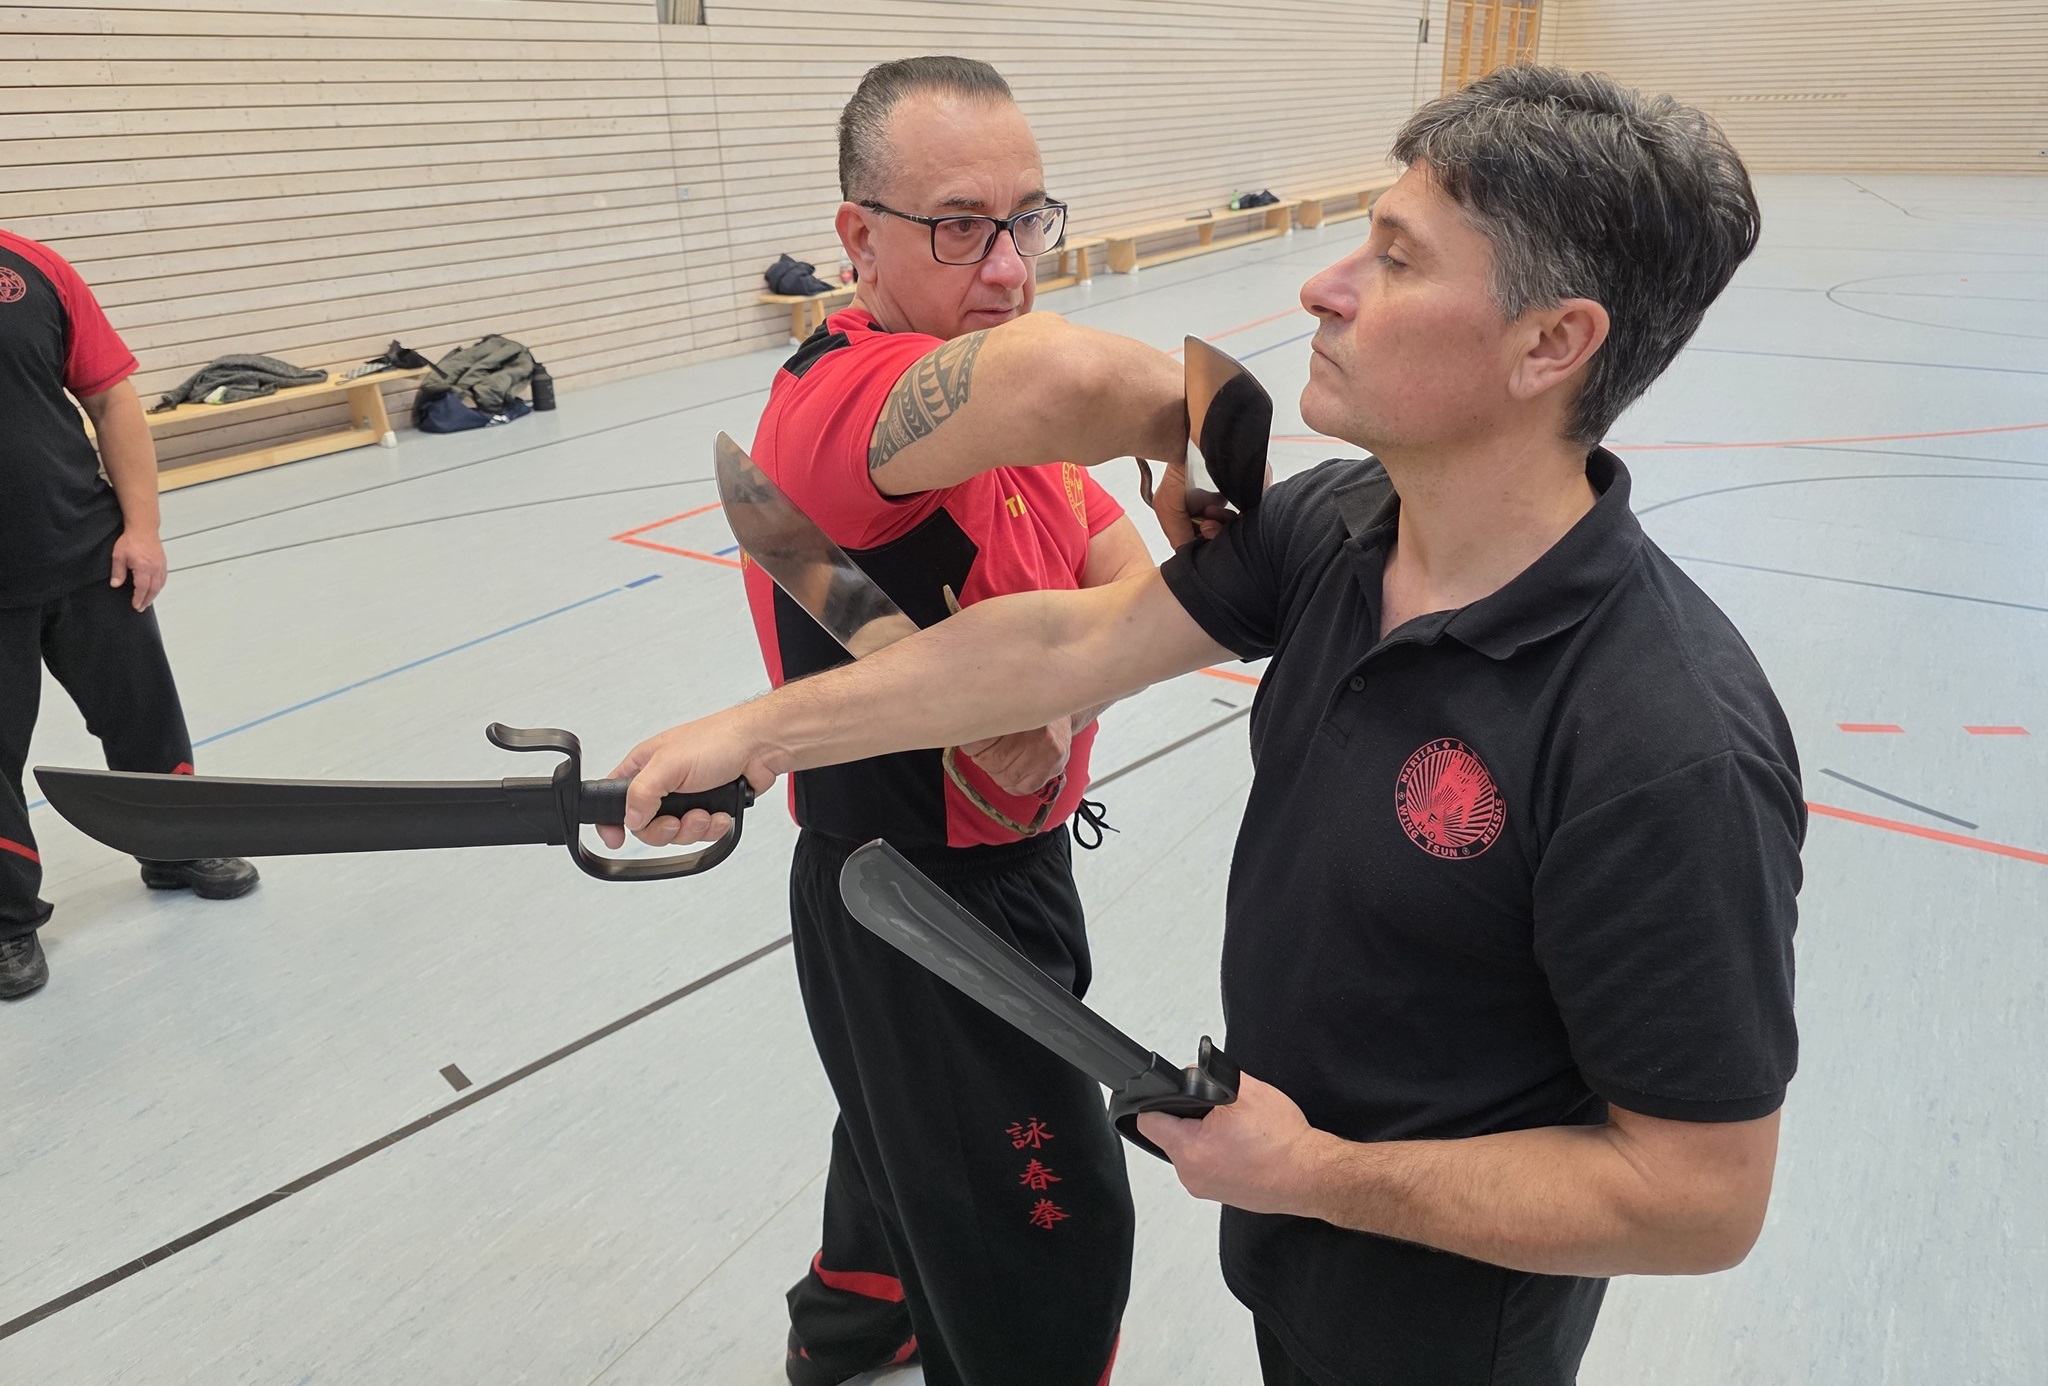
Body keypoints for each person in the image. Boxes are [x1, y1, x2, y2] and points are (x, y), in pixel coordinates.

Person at [604, 67, 1804, 1386]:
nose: (1322, 287)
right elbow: (1068, 640)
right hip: (1286, 1230)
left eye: (1394, 259)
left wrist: (1317, 1173)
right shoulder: (1336, 530)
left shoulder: (1663, 739)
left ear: (1550, 343)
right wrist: (759, 733)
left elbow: (1699, 1199)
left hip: (1441, 1318)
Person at [710, 57, 1187, 1386]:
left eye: (1027, 218)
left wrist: (1060, 691)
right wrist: (1210, 421)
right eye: (959, 226)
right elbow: (1057, 375)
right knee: (1047, 1228)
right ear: (857, 237)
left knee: (905, 1117)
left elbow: (1127, 583)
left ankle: (854, 1317)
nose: (1009, 267)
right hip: (914, 897)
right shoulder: (847, 404)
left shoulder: (978, 411)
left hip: (1002, 872)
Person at [0, 230, 258, 1001]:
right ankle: (7, 922)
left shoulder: (33, 266)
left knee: (145, 715)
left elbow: (110, 396)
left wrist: (141, 527)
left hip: (87, 549)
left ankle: (176, 846)